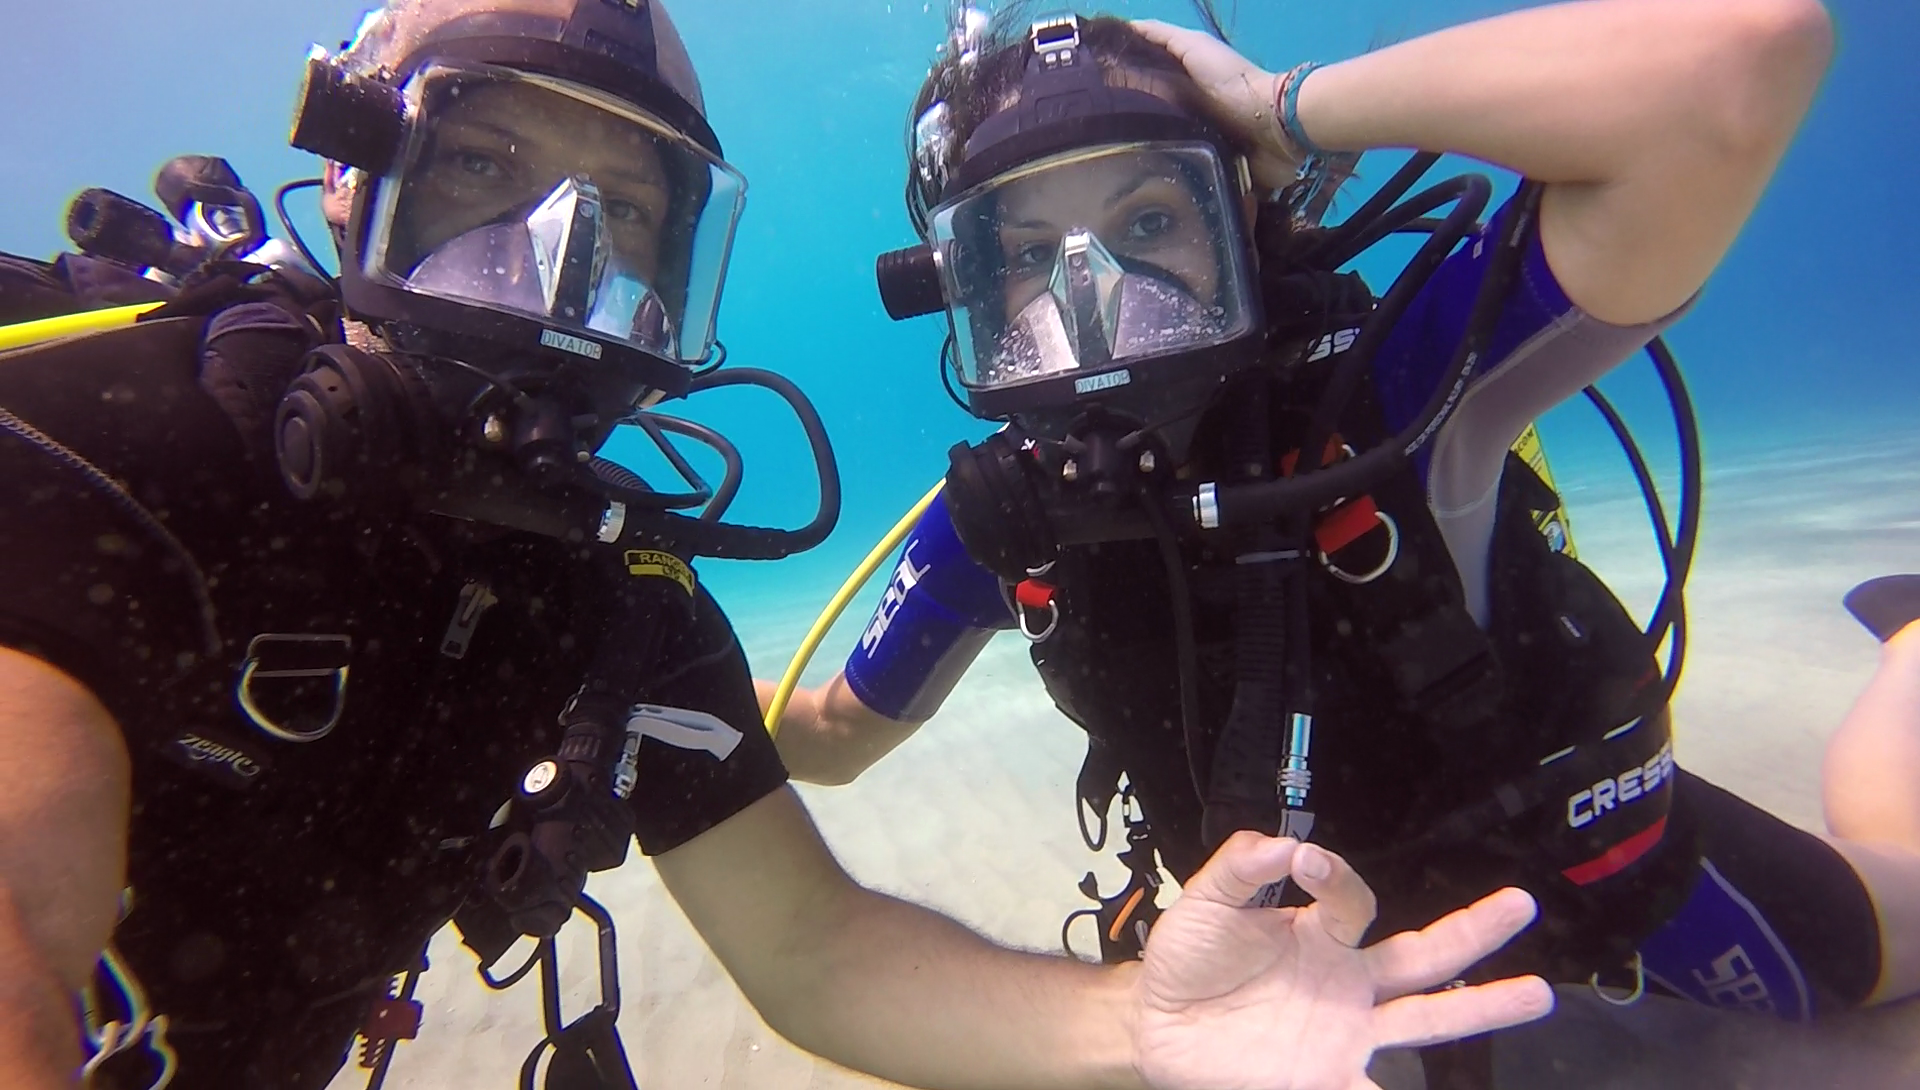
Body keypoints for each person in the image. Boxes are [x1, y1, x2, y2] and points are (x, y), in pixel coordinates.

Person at [0, 1, 1562, 1088]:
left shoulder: (610, 597)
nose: (554, 261)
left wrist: (1142, 1027)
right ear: (353, 176)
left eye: (624, 211)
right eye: (482, 166)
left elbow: (814, 953)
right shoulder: (95, 438)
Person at [767, 0, 1918, 1054]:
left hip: (1577, 874)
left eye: (1150, 218)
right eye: (1026, 254)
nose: (1097, 299)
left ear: (1241, 218)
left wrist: (1287, 109)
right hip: (1299, 966)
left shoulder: (1394, 388)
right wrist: (676, 711)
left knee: (1897, 941)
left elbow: (1745, 67)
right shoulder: (1006, 515)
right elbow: (834, 734)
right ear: (964, 287)